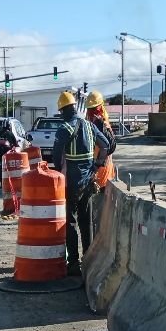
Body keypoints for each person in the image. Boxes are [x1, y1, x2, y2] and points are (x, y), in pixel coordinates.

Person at [53, 90, 110, 277]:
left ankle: (74, 263)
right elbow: (105, 146)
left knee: (70, 221)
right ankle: (88, 258)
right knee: (85, 220)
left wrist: (59, 171)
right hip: (87, 181)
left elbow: (55, 157)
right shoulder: (88, 125)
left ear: (63, 111)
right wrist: (96, 166)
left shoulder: (64, 129)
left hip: (71, 183)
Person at [84, 89, 117, 160]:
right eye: (89, 109)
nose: (91, 112)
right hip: (95, 158)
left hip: (101, 160)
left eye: (93, 109)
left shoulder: (102, 122)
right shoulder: (91, 120)